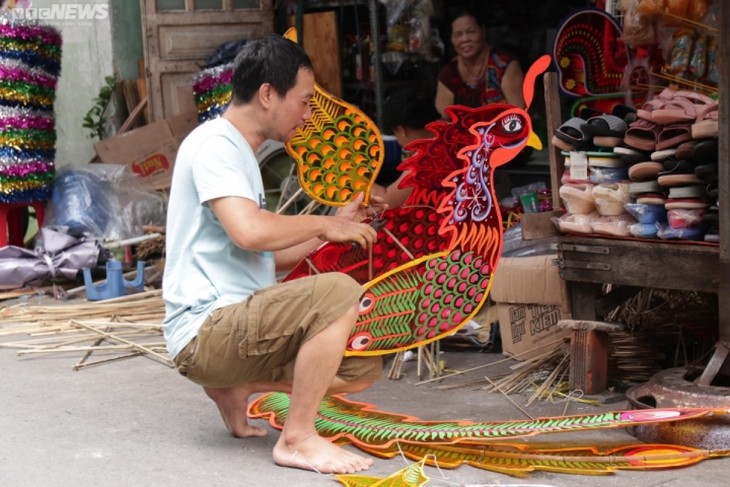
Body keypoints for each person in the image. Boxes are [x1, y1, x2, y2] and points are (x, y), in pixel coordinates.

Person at [162, 34, 385, 475]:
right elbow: (250, 232)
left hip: (233, 324)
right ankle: (298, 438)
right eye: (303, 101)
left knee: (362, 360)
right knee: (341, 292)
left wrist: (338, 228)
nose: (306, 115)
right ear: (268, 94)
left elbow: (266, 255)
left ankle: (233, 384)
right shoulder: (216, 146)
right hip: (208, 328)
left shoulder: (240, 152)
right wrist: (324, 223)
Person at [434, 9, 526, 118]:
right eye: (458, 34)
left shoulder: (505, 65)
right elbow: (443, 120)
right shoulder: (448, 75)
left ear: (483, 31)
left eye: (471, 32)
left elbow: (519, 114)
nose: (464, 39)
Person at [371, 87, 440, 207]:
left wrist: (351, 173)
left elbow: (385, 201)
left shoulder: (426, 159)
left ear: (401, 130)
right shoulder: (448, 136)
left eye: (395, 133)